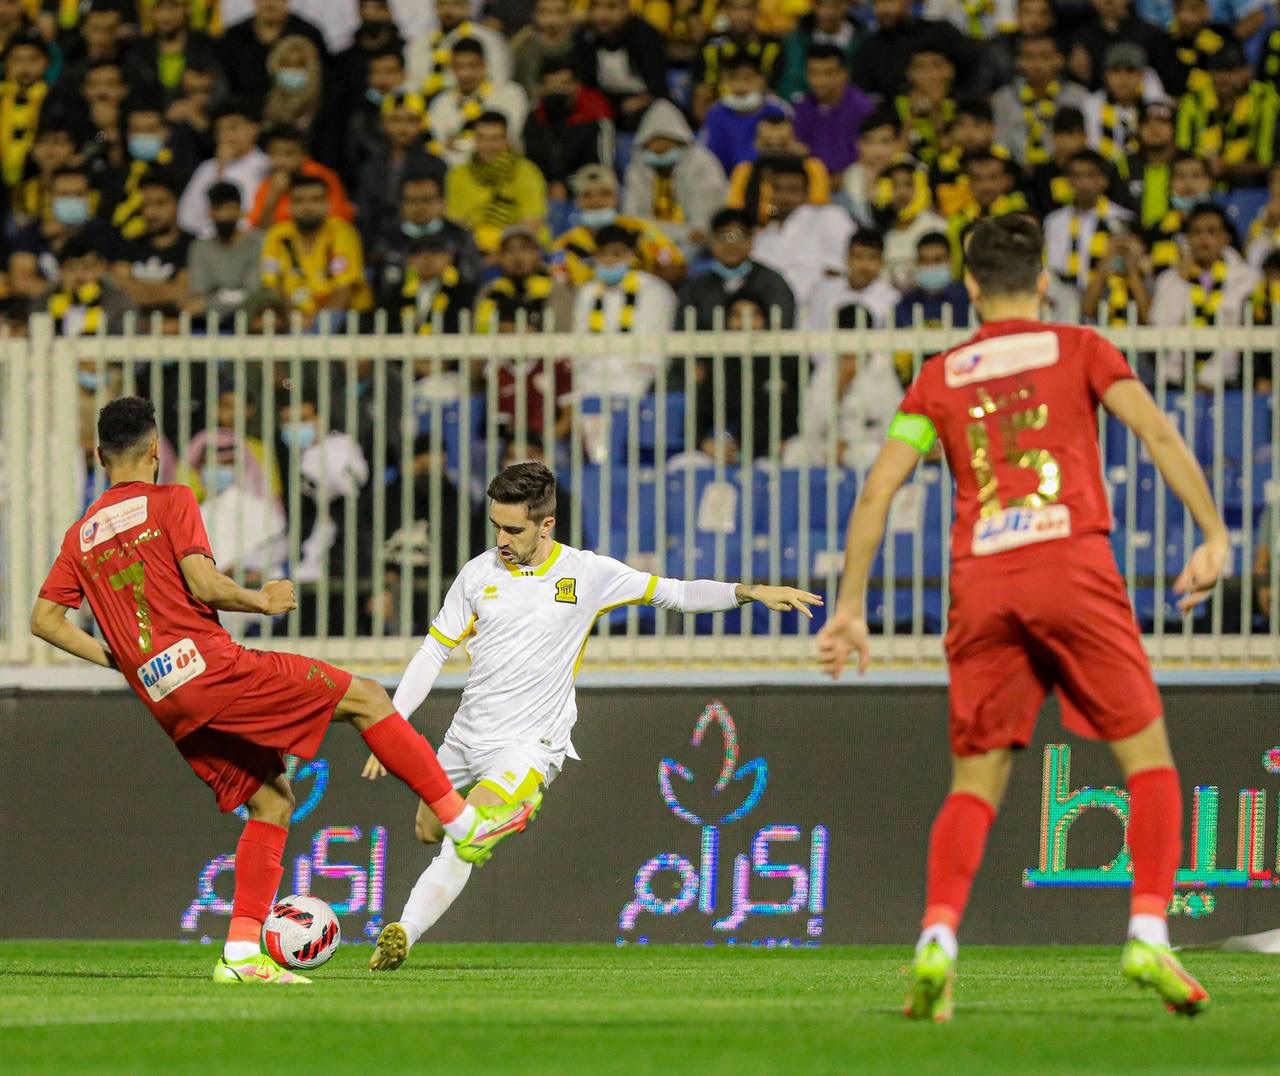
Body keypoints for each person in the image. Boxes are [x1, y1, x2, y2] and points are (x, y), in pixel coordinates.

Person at [816, 213, 1222, 1021]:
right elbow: (1158, 433)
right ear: (1043, 281)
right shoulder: (1084, 350)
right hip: (1073, 569)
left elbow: (878, 490)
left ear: (969, 286)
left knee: (975, 783)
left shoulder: (937, 375)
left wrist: (851, 606)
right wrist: (1212, 532)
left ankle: (937, 938)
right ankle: (1148, 930)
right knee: (1149, 762)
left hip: (982, 585)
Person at [31, 397, 538, 984]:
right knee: (369, 698)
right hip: (212, 668)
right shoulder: (171, 500)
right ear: (154, 451)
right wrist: (259, 600)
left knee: (271, 802)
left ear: (98, 457)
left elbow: (45, 621)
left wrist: (123, 661)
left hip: (164, 697)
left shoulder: (80, 537)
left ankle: (242, 954)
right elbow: (202, 582)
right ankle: (461, 822)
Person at [365, 460, 822, 971]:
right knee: (429, 829)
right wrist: (393, 723)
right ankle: (494, 824)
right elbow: (433, 652)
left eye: (513, 529)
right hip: (466, 736)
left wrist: (749, 592)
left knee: (469, 835)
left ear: (546, 524)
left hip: (528, 744)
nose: (502, 538)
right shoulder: (478, 574)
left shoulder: (588, 573)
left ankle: (404, 929)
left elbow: (674, 593)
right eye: (496, 525)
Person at [1149, 203, 1259, 388]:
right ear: (1188, 239)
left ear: (1225, 238)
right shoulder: (1168, 280)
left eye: (1211, 232)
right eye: (1197, 232)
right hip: (1174, 383)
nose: (1204, 239)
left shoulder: (1247, 279)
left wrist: (1206, 380)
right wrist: (1181, 282)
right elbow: (1160, 326)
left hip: (1227, 384)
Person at [570, 224, 676, 405]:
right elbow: (580, 337)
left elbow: (657, 341)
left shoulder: (653, 289)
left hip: (638, 375)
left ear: (631, 255)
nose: (609, 260)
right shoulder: (587, 292)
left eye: (617, 254)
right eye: (603, 254)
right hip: (591, 375)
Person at [260, 174, 373, 326]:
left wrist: (315, 323)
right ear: (289, 206)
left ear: (328, 204)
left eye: (316, 200)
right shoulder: (277, 235)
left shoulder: (342, 233)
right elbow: (272, 287)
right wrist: (294, 317)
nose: (308, 207)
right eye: (299, 201)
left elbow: (343, 291)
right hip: (293, 317)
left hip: (343, 319)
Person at [750, 156, 854, 319]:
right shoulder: (762, 238)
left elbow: (851, 264)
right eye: (777, 189)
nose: (784, 197)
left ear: (806, 193)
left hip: (824, 319)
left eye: (793, 190)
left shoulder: (830, 218)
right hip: (776, 322)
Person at [622, 100, 727, 254]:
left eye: (664, 148)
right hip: (649, 239)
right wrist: (675, 233)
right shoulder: (638, 165)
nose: (659, 152)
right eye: (654, 149)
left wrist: (677, 234)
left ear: (679, 141)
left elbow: (701, 228)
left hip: (695, 244)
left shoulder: (702, 163)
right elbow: (631, 219)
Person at [553, 163, 684, 286]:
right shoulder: (564, 245)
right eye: (587, 195)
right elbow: (558, 282)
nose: (596, 201)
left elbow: (674, 266)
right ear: (578, 201)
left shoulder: (639, 230)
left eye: (604, 193)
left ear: (616, 198)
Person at [1175, 43, 1279, 190]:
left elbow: (1268, 161)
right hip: (1202, 184)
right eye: (1219, 71)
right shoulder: (1193, 100)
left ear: (1248, 72)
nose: (1225, 78)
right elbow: (1183, 151)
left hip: (1253, 186)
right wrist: (1205, 163)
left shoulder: (1265, 100)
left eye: (1231, 71)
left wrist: (1228, 167)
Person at [444, 111, 547, 255]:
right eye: (482, 138)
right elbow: (455, 223)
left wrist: (499, 253)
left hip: (517, 251)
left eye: (495, 139)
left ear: (506, 140)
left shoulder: (527, 172)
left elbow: (532, 222)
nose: (488, 146)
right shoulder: (457, 175)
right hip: (472, 251)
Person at [676, 206, 796, 329]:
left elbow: (784, 330)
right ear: (710, 240)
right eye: (723, 236)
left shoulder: (773, 283)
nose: (731, 245)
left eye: (739, 236)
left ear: (752, 238)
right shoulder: (694, 288)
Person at [993, 34, 1090, 173]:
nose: (1037, 64)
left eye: (1045, 56)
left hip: (1065, 173)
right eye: (1029, 57)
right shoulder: (1004, 98)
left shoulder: (1079, 97)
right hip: (1014, 175)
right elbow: (999, 142)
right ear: (1019, 61)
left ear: (1060, 59)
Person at [522, 55, 614, 200]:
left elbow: (601, 169)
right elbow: (529, 164)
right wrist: (549, 185)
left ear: (576, 86)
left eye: (564, 84)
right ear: (541, 88)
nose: (558, 90)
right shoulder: (533, 118)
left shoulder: (594, 118)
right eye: (551, 85)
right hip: (541, 193)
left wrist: (566, 186)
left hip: (585, 194)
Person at [428, 38, 529, 169]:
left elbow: (507, 139)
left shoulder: (510, 94)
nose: (466, 74)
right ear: (451, 68)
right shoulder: (441, 103)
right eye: (459, 66)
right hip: (457, 176)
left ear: (484, 65)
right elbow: (442, 148)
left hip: (505, 170)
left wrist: (459, 144)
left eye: (472, 65)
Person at [110, 170, 194, 326]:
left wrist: (136, 289)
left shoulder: (192, 246)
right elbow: (117, 291)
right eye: (146, 205)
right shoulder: (129, 245)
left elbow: (183, 292)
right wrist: (166, 291)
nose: (151, 213)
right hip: (132, 334)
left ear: (176, 203)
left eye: (160, 203)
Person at [177, 100, 270, 238]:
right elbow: (187, 220)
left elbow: (250, 219)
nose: (228, 136)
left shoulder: (266, 166)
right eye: (221, 130)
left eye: (233, 127)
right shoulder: (207, 168)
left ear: (254, 128)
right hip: (207, 245)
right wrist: (220, 170)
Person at [571, 0, 668, 134]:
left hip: (643, 108)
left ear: (627, 10)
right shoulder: (584, 36)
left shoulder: (646, 35)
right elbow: (585, 85)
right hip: (603, 106)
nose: (602, 15)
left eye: (611, 7)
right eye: (596, 7)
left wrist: (642, 101)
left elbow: (658, 89)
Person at [185, 181, 270, 323]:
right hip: (209, 323)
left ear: (241, 211)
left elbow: (254, 293)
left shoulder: (257, 242)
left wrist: (211, 304)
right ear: (210, 212)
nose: (223, 216)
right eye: (218, 209)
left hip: (251, 319)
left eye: (229, 209)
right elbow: (198, 296)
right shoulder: (199, 248)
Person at [726, 111, 831, 225]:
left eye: (782, 143)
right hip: (758, 231)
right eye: (768, 143)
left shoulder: (812, 167)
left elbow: (818, 207)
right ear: (757, 142)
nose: (775, 148)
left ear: (794, 140)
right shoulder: (745, 170)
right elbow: (735, 210)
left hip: (804, 229)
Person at [789, 43, 873, 182]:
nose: (820, 81)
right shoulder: (801, 107)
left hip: (851, 185)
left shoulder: (862, 109)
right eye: (814, 73)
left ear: (844, 74)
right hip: (812, 183)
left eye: (828, 73)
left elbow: (865, 156)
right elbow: (799, 148)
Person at [247, 124, 354, 230]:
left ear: (303, 155)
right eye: (275, 154)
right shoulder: (269, 183)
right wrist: (273, 196)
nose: (280, 162)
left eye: (289, 154)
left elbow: (340, 217)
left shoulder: (323, 176)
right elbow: (259, 229)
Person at [697, 54, 789, 176]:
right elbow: (705, 157)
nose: (740, 86)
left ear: (761, 80)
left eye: (748, 78)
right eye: (733, 78)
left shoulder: (779, 110)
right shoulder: (716, 112)